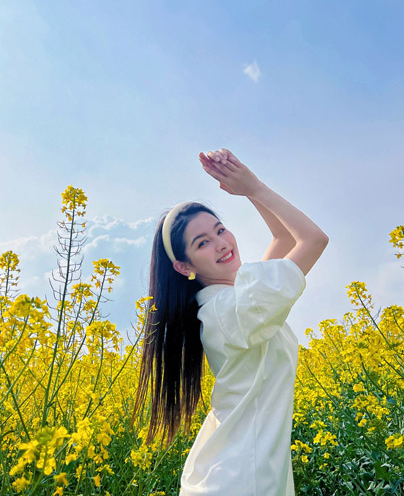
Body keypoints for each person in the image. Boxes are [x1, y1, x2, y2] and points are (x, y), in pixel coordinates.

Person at [134, 148, 329, 495]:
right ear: (184, 266)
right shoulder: (232, 311)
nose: (222, 244)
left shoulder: (234, 301)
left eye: (220, 230)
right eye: (203, 242)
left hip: (238, 472)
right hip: (240, 480)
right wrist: (254, 188)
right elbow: (313, 239)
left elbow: (283, 239)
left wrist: (246, 187)